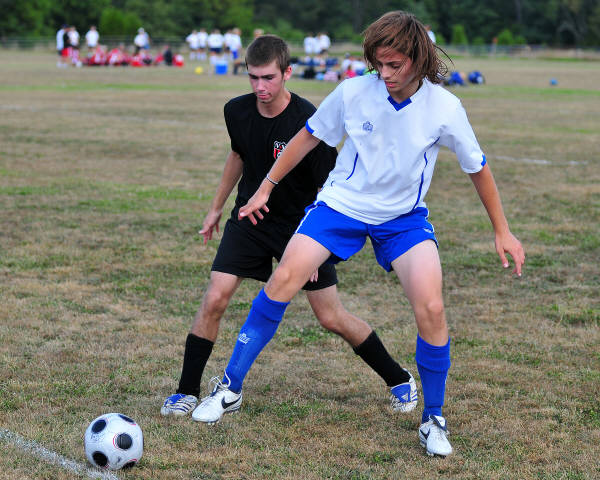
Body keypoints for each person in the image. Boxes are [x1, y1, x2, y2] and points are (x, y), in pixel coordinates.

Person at [192, 12, 525, 458]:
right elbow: (307, 137)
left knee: (431, 306)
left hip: (403, 218)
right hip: (340, 207)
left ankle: (433, 418)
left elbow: (477, 168)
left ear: (418, 59)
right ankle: (229, 388)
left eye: (394, 65)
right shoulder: (353, 91)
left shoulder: (444, 108)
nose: (384, 74)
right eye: (378, 64)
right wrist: (266, 186)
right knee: (284, 278)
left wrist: (502, 230)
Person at [160, 34, 417, 423]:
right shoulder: (236, 111)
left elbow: (327, 186)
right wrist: (215, 208)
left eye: (268, 78)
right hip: (251, 219)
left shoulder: (308, 119)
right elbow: (238, 155)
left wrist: (315, 246)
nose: (260, 87)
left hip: (303, 227)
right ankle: (186, 391)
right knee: (215, 297)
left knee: (330, 316)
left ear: (287, 73)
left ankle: (399, 379)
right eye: (253, 77)